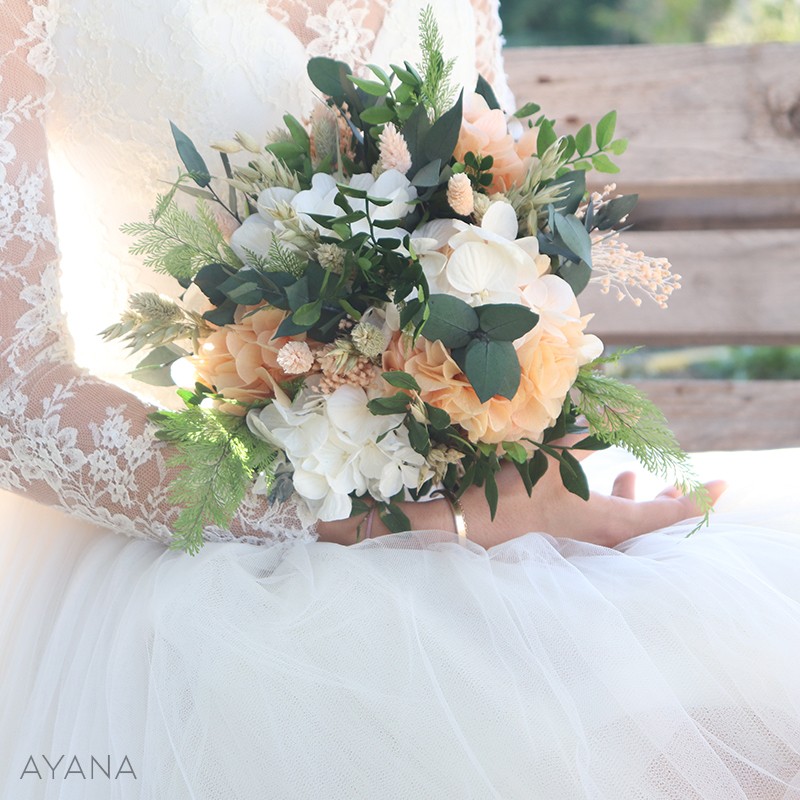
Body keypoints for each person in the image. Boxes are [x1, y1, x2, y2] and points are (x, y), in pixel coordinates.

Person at [1, 0, 798, 797]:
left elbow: (498, 228)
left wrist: (539, 463)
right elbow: (15, 395)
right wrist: (408, 527)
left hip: (480, 498)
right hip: (200, 554)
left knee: (742, 675)